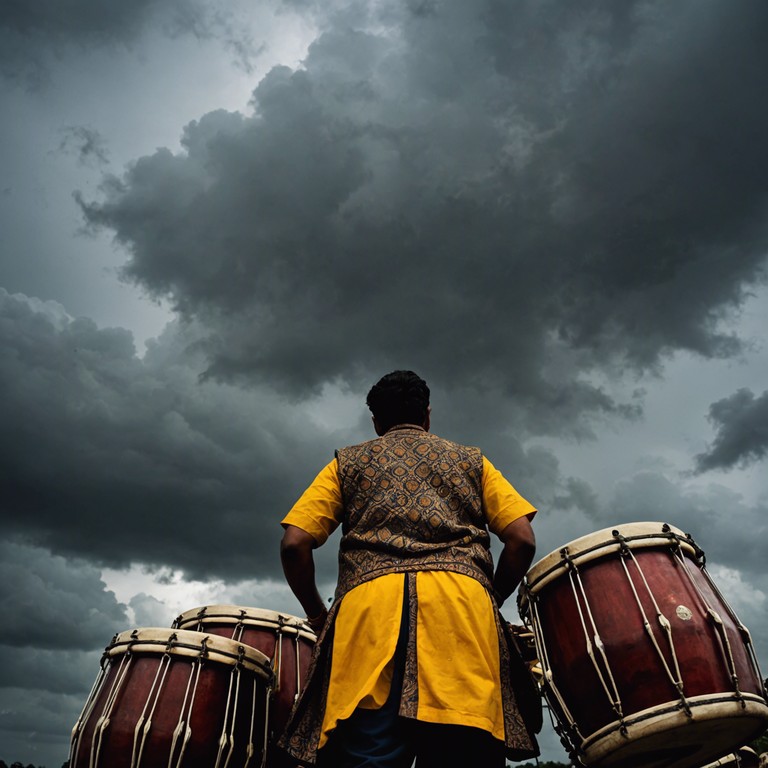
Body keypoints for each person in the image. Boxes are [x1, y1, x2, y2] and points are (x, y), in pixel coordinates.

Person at [277, 370, 540, 767]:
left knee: (368, 754)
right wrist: (491, 597)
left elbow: (295, 543)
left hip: (368, 619)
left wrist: (317, 614)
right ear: (427, 415)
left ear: (376, 422)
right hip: (462, 612)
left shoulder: (347, 464)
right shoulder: (472, 461)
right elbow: (522, 539)